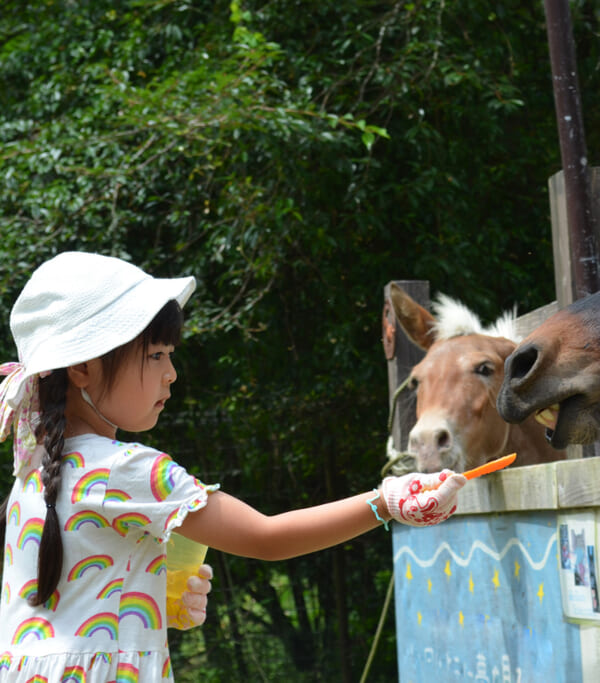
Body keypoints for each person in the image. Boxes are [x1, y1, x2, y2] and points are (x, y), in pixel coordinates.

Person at [0, 252, 466, 682]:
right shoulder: (128, 471)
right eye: (157, 354)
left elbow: (66, 598)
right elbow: (266, 537)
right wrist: (385, 502)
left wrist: (152, 597)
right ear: (83, 368)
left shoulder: (32, 472)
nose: (171, 374)